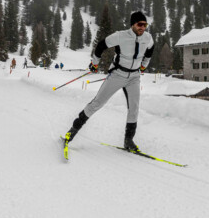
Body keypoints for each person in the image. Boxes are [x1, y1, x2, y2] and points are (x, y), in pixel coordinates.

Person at [63, 11, 154, 151]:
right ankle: (72, 132)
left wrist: (144, 65)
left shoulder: (147, 38)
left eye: (145, 25)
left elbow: (150, 50)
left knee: (134, 108)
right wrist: (95, 63)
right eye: (140, 24)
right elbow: (101, 45)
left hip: (134, 77)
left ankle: (128, 141)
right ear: (132, 24)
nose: (143, 27)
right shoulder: (120, 36)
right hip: (118, 74)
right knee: (97, 103)